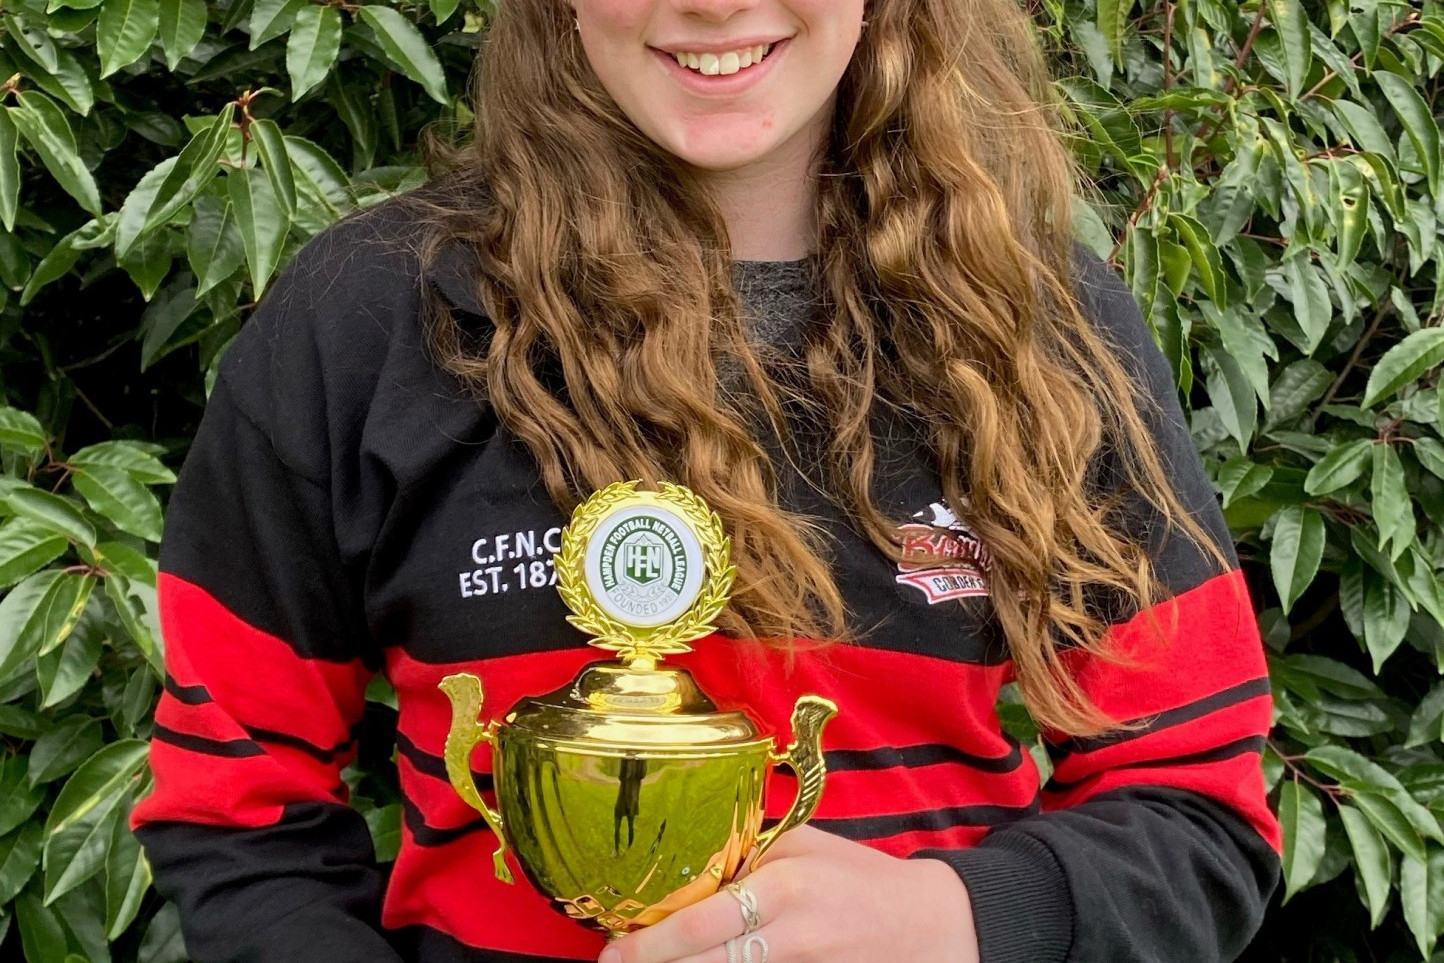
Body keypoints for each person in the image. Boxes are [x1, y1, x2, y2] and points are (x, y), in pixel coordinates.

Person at [130, 1, 1282, 961]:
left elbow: (1200, 812)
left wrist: (954, 917)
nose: (715, 5)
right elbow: (234, 804)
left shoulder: (1049, 331)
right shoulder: (368, 320)